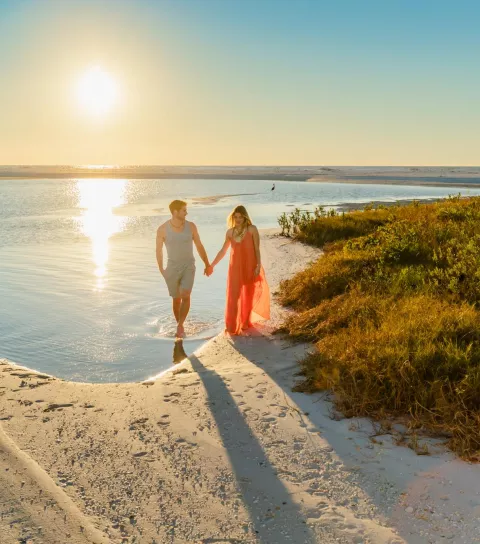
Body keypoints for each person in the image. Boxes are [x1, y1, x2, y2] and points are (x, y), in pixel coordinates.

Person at [206, 205, 270, 335]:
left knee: (248, 295)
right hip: (235, 268)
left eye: (240, 217)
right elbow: (223, 251)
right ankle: (231, 327)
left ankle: (245, 323)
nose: (238, 219)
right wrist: (212, 265)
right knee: (233, 296)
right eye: (235, 217)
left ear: (245, 216)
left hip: (250, 266)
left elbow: (257, 249)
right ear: (232, 218)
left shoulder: (252, 229)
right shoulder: (230, 232)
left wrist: (258, 265)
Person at [156, 200, 210, 338]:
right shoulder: (162, 229)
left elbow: (199, 245)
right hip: (172, 267)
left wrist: (207, 263)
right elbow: (158, 250)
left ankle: (180, 326)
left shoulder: (191, 226)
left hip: (188, 266)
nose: (187, 212)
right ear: (175, 212)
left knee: (185, 294)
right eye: (184, 210)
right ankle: (180, 324)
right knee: (176, 299)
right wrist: (161, 269)